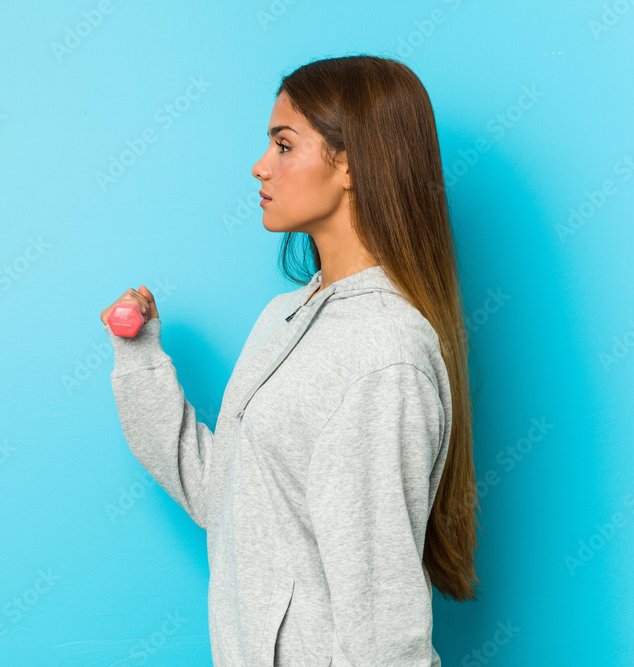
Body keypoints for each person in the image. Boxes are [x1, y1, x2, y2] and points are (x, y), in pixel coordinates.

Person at [100, 54, 479, 667]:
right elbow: (222, 499)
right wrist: (140, 358)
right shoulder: (284, 316)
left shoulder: (385, 354)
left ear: (352, 161)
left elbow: (384, 619)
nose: (260, 166)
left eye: (283, 145)